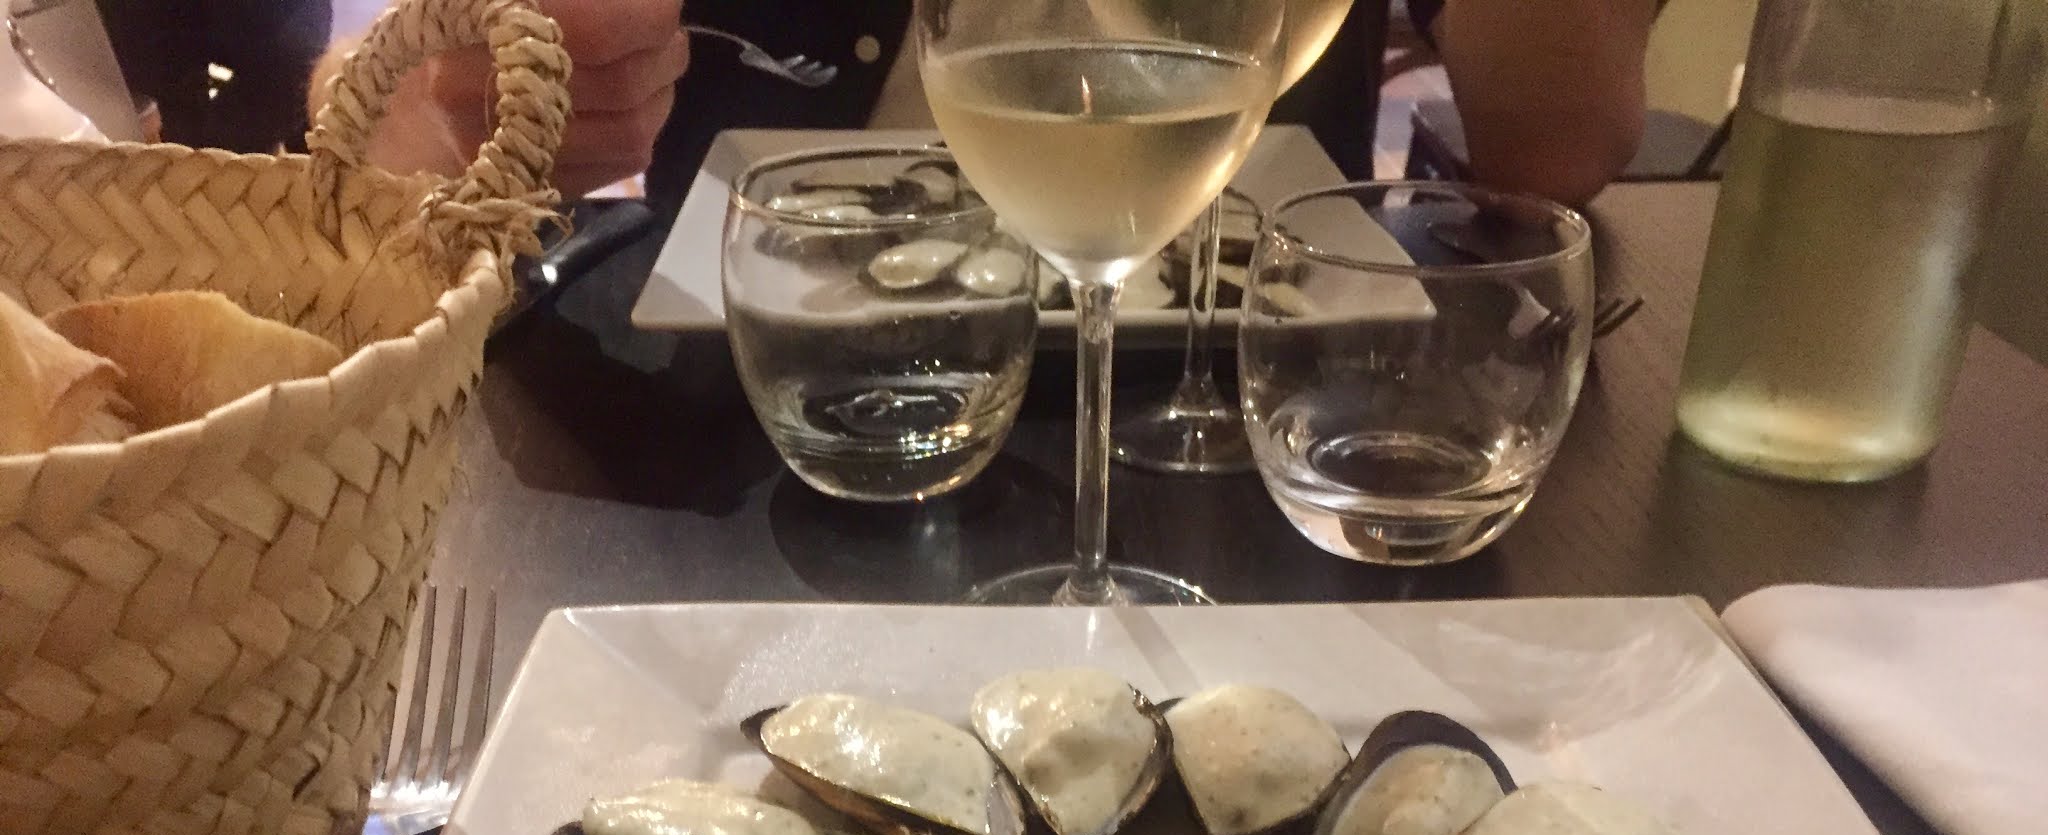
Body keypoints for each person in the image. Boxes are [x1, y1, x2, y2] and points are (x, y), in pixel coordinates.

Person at [293, 0, 1651, 209]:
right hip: (753, 430)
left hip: (1253, 427)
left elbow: (1560, 143)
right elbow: (396, 97)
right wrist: (440, 114)